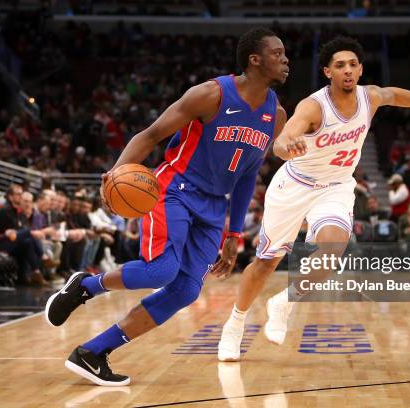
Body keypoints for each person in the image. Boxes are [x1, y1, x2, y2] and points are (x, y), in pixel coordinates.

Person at [45, 27, 289, 386]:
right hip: (173, 189)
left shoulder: (275, 115)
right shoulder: (210, 94)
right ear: (255, 59)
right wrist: (116, 173)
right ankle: (87, 285)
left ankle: (93, 353)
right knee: (160, 271)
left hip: (212, 206)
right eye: (278, 53)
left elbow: (247, 178)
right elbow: (150, 135)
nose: (286, 60)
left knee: (186, 290)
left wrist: (234, 233)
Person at [218, 35, 410, 361]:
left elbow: (396, 95)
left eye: (353, 64)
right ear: (327, 72)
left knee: (332, 253)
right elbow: (282, 140)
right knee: (267, 263)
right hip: (295, 185)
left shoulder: (371, 97)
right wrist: (286, 147)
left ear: (361, 69)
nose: (348, 70)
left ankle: (285, 301)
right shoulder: (313, 105)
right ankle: (235, 324)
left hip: (335, 185)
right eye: (340, 65)